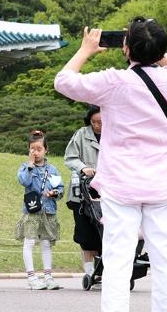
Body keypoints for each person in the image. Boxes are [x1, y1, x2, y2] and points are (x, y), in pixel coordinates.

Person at [54, 19, 167, 311]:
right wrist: (151, 43)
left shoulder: (113, 81)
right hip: (163, 186)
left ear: (125, 49)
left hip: (121, 186)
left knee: (118, 259)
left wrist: (86, 50)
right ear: (161, 50)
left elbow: (63, 81)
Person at [15, 130, 64, 290]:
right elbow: (23, 181)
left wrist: (54, 193)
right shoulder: (25, 167)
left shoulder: (53, 170)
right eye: (32, 149)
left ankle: (48, 277)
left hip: (48, 211)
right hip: (32, 211)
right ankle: (32, 277)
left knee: (46, 244)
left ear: (46, 150)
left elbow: (60, 189)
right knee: (29, 242)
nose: (35, 152)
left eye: (39, 149)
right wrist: (30, 165)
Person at [64, 105, 102, 277]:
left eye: (101, 122)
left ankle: (104, 270)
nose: (97, 125)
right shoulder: (81, 134)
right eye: (94, 122)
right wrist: (84, 168)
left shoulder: (114, 134)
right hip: (83, 192)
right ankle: (89, 272)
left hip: (107, 192)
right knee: (86, 234)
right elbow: (70, 157)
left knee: (105, 232)